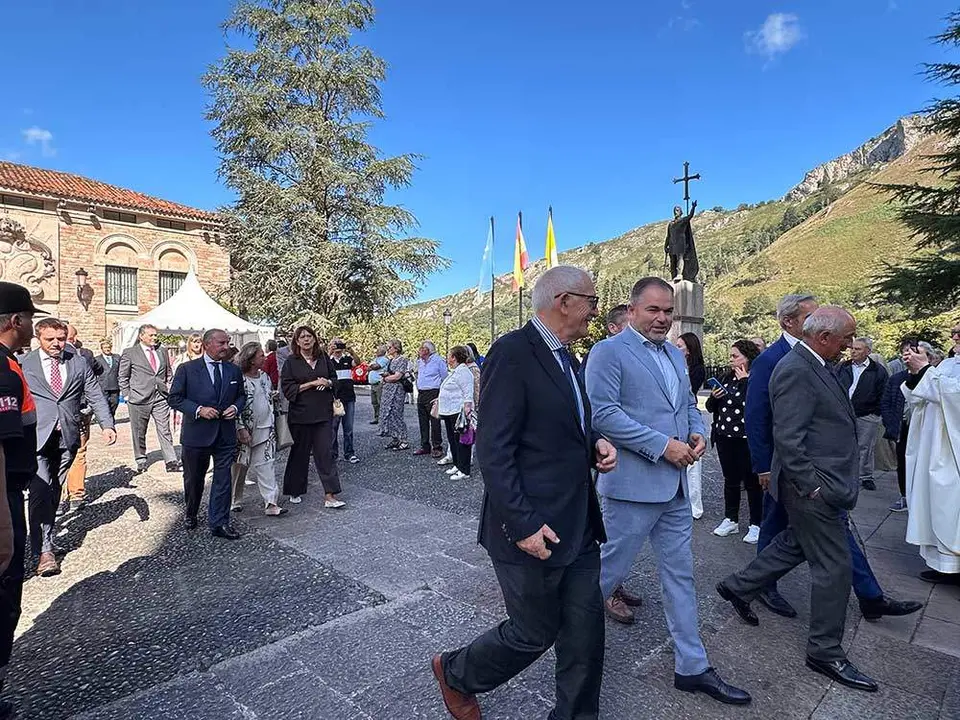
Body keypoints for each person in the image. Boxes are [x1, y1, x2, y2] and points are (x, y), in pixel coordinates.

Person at [432, 266, 617, 720]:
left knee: (584, 636)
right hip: (533, 526)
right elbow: (494, 451)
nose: (595, 310)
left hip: (578, 523)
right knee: (534, 631)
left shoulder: (569, 358)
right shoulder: (512, 353)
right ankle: (456, 672)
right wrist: (523, 525)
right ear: (564, 301)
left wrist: (593, 442)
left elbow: (567, 424)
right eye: (591, 302)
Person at [586, 277, 749, 705]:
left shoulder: (675, 356)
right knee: (606, 575)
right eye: (653, 310)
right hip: (632, 488)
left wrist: (697, 434)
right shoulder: (607, 352)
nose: (662, 319)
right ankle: (554, 643)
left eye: (668, 312)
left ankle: (692, 667)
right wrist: (662, 446)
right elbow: (602, 414)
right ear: (634, 310)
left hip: (675, 489)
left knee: (681, 575)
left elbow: (685, 407)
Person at [717, 307, 881, 692]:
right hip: (813, 488)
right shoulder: (795, 370)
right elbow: (788, 438)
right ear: (823, 337)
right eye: (845, 339)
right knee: (835, 567)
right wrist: (815, 487)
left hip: (823, 485)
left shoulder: (818, 363)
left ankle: (738, 586)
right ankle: (824, 651)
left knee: (793, 545)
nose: (849, 346)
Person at [745, 293, 920, 623]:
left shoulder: (821, 356)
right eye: (809, 316)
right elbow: (757, 418)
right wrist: (764, 466)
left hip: (822, 477)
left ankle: (870, 595)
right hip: (792, 471)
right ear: (790, 322)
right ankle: (757, 586)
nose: (815, 321)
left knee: (834, 533)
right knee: (776, 530)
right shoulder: (773, 359)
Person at [22, 318, 115, 575]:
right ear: (38, 339)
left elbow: (95, 393)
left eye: (60, 339)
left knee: (54, 489)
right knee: (40, 490)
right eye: (50, 339)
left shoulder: (78, 362)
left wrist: (108, 424)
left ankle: (46, 537)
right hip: (37, 437)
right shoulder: (24, 364)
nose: (56, 344)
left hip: (68, 437)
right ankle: (43, 552)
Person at [0, 282, 42, 719]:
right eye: (29, 318)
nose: (31, 324)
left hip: (11, 486)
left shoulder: (10, 364)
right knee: (8, 581)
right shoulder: (4, 369)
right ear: (16, 321)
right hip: (5, 494)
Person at [168, 329, 246, 539]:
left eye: (227, 343)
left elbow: (241, 396)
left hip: (225, 434)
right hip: (197, 435)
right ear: (207, 344)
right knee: (194, 479)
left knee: (223, 480)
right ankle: (191, 512)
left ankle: (219, 522)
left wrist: (236, 408)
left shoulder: (233, 370)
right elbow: (174, 398)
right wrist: (198, 410)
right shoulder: (187, 369)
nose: (226, 347)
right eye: (221, 343)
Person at [902, 343, 960, 583]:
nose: (955, 337)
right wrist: (917, 374)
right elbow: (924, 395)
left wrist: (926, 369)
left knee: (950, 507)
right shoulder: (948, 363)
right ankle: (944, 566)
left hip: (952, 451)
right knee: (935, 503)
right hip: (935, 444)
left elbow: (954, 397)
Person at [280, 326, 345, 508]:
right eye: (302, 337)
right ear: (297, 341)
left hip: (323, 414)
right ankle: (294, 489)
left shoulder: (324, 358)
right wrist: (311, 383)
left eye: (309, 336)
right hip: (300, 415)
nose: (306, 339)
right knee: (299, 454)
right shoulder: (291, 362)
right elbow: (288, 388)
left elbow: (335, 379)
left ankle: (330, 495)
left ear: (315, 339)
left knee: (326, 453)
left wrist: (329, 382)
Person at [707, 339, 763, 543]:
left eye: (735, 356)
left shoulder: (756, 378)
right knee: (730, 480)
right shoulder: (726, 377)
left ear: (747, 357)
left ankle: (756, 523)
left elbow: (756, 406)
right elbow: (713, 407)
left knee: (752, 482)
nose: (731, 360)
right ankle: (730, 519)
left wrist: (746, 382)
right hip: (724, 436)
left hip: (747, 438)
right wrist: (715, 396)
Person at [231, 342, 286, 517]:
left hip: (266, 429)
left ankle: (271, 502)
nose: (265, 357)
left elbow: (266, 395)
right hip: (245, 430)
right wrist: (240, 428)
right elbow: (235, 405)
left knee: (266, 465)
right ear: (251, 359)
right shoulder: (238, 379)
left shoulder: (265, 377)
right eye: (261, 355)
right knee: (240, 466)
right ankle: (234, 500)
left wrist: (272, 397)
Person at [119, 324, 180, 474]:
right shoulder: (130, 353)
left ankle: (170, 460)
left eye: (155, 335)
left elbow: (168, 372)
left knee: (164, 429)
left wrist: (169, 387)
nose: (155, 338)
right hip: (138, 398)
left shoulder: (162, 351)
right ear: (141, 336)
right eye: (151, 335)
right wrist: (127, 394)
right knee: (139, 431)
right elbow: (123, 375)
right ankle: (140, 458)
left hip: (160, 396)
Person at [838, 337, 889, 491]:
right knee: (843, 444)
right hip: (844, 413)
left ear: (868, 351)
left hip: (867, 414)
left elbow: (884, 393)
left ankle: (864, 476)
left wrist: (876, 412)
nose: (853, 351)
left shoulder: (878, 370)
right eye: (852, 348)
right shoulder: (843, 367)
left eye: (858, 349)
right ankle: (844, 476)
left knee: (865, 447)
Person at [63, 324, 104, 513]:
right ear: (74, 337)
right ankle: (76, 494)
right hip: (80, 410)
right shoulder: (85, 354)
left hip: (67, 412)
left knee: (60, 452)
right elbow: (98, 371)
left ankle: (62, 493)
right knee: (79, 451)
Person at [880, 338, 923, 513]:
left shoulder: (931, 375)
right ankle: (904, 496)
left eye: (912, 351)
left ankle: (920, 499)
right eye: (906, 351)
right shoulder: (897, 378)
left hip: (922, 428)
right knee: (903, 463)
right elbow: (886, 402)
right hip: (902, 427)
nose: (909, 355)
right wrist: (891, 424)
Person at [674, 331, 706, 520]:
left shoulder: (695, 368)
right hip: (682, 413)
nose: (676, 349)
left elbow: (688, 393)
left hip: (687, 413)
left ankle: (695, 505)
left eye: (680, 346)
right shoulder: (675, 363)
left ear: (689, 349)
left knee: (693, 464)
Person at [437, 346, 475, 480]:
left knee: (462, 441)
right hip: (449, 411)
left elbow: (468, 392)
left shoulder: (464, 372)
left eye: (449, 355)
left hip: (458, 412)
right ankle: (457, 465)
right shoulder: (455, 371)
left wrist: (467, 409)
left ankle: (464, 470)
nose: (447, 358)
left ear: (454, 357)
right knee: (453, 440)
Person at [329, 338, 359, 464]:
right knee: (333, 428)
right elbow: (320, 364)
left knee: (348, 428)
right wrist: (329, 351)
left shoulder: (347, 359)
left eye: (339, 345)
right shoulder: (328, 361)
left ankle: (349, 453)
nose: (338, 348)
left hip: (349, 397)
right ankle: (333, 454)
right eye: (335, 345)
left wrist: (351, 351)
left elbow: (357, 362)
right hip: (335, 398)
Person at [414, 341, 447, 457]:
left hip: (433, 392)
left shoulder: (438, 361)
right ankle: (425, 445)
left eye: (422, 348)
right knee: (422, 421)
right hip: (422, 392)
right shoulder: (419, 362)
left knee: (435, 420)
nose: (420, 350)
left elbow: (444, 377)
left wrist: (440, 394)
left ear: (428, 350)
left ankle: (437, 446)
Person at [381, 339, 411, 451]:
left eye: (389, 347)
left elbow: (397, 376)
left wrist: (386, 378)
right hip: (388, 390)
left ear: (396, 348)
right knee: (389, 415)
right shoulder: (390, 360)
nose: (388, 349)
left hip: (397, 390)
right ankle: (395, 438)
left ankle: (403, 439)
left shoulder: (402, 360)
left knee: (397, 415)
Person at [665, 201, 699, 281]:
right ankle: (673, 276)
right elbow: (668, 236)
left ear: (681, 212)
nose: (675, 212)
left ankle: (679, 274)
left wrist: (693, 207)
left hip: (681, 242)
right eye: (674, 210)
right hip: (672, 244)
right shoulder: (670, 224)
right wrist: (665, 246)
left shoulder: (683, 221)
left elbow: (690, 216)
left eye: (677, 210)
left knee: (680, 258)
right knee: (673, 261)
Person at [94, 338, 121, 419]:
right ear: (102, 349)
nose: (107, 349)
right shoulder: (97, 359)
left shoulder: (117, 357)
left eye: (108, 347)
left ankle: (111, 416)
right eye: (105, 347)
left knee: (114, 402)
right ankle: (106, 418)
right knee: (104, 403)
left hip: (115, 385)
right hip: (103, 385)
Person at [367, 344, 389, 426]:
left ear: (383, 351)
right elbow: (368, 368)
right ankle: (377, 417)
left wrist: (371, 366)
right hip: (373, 384)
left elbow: (376, 366)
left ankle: (383, 418)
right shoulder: (375, 359)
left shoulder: (384, 359)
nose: (376, 351)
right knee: (374, 402)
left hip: (379, 383)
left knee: (381, 402)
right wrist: (371, 367)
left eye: (378, 349)